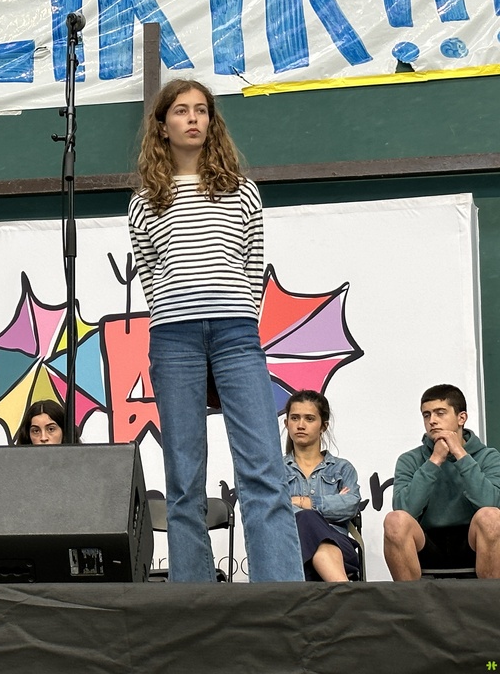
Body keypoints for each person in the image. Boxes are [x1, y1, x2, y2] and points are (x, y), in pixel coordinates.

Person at [127, 78, 303, 582]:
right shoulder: (146, 200)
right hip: (174, 339)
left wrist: (236, 315)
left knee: (262, 467)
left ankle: (280, 593)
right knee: (183, 478)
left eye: (201, 110)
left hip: (235, 334)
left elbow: (252, 263)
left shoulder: (241, 190)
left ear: (211, 121)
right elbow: (151, 273)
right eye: (182, 110)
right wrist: (177, 312)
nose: (193, 119)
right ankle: (193, 597)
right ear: (163, 125)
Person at [383, 384, 500, 580]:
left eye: (440, 413)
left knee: (490, 516)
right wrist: (434, 461)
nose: (432, 421)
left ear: (461, 418)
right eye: (426, 415)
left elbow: (491, 503)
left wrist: (460, 455)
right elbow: (405, 509)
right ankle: (409, 598)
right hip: (426, 543)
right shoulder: (409, 459)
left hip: (473, 542)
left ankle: (491, 598)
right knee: (395, 520)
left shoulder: (489, 457)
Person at [283, 390, 361, 581]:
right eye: (295, 418)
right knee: (307, 523)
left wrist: (301, 502)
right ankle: (345, 592)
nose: (301, 425)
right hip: (290, 547)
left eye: (309, 419)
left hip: (340, 547)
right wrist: (330, 504)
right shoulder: (275, 470)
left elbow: (350, 505)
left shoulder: (342, 468)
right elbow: (274, 509)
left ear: (323, 426)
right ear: (286, 423)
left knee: (308, 521)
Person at [15, 399, 81, 445]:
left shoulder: (83, 460)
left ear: (64, 432)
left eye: (51, 429)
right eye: (36, 431)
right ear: (27, 436)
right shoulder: (14, 461)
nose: (43, 438)